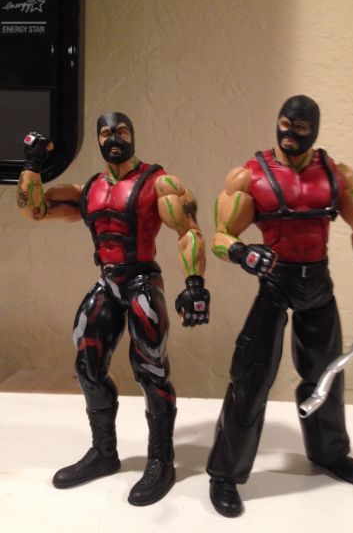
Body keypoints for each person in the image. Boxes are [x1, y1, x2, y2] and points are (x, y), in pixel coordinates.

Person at [206, 95, 353, 517]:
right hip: (276, 283)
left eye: (300, 127)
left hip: (318, 283)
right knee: (251, 377)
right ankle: (225, 473)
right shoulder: (250, 177)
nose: (290, 134)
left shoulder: (335, 176)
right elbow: (220, 236)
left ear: (315, 129)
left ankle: (329, 452)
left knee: (325, 374)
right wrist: (242, 253)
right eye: (285, 124)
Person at [17, 112, 210, 506]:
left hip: (142, 281)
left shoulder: (158, 182)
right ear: (98, 139)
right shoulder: (88, 190)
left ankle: (161, 460)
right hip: (108, 282)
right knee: (86, 366)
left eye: (121, 131)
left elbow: (189, 231)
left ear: (132, 135)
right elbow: (33, 210)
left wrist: (194, 285)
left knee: (151, 368)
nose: (114, 138)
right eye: (106, 133)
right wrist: (33, 166)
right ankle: (104, 452)